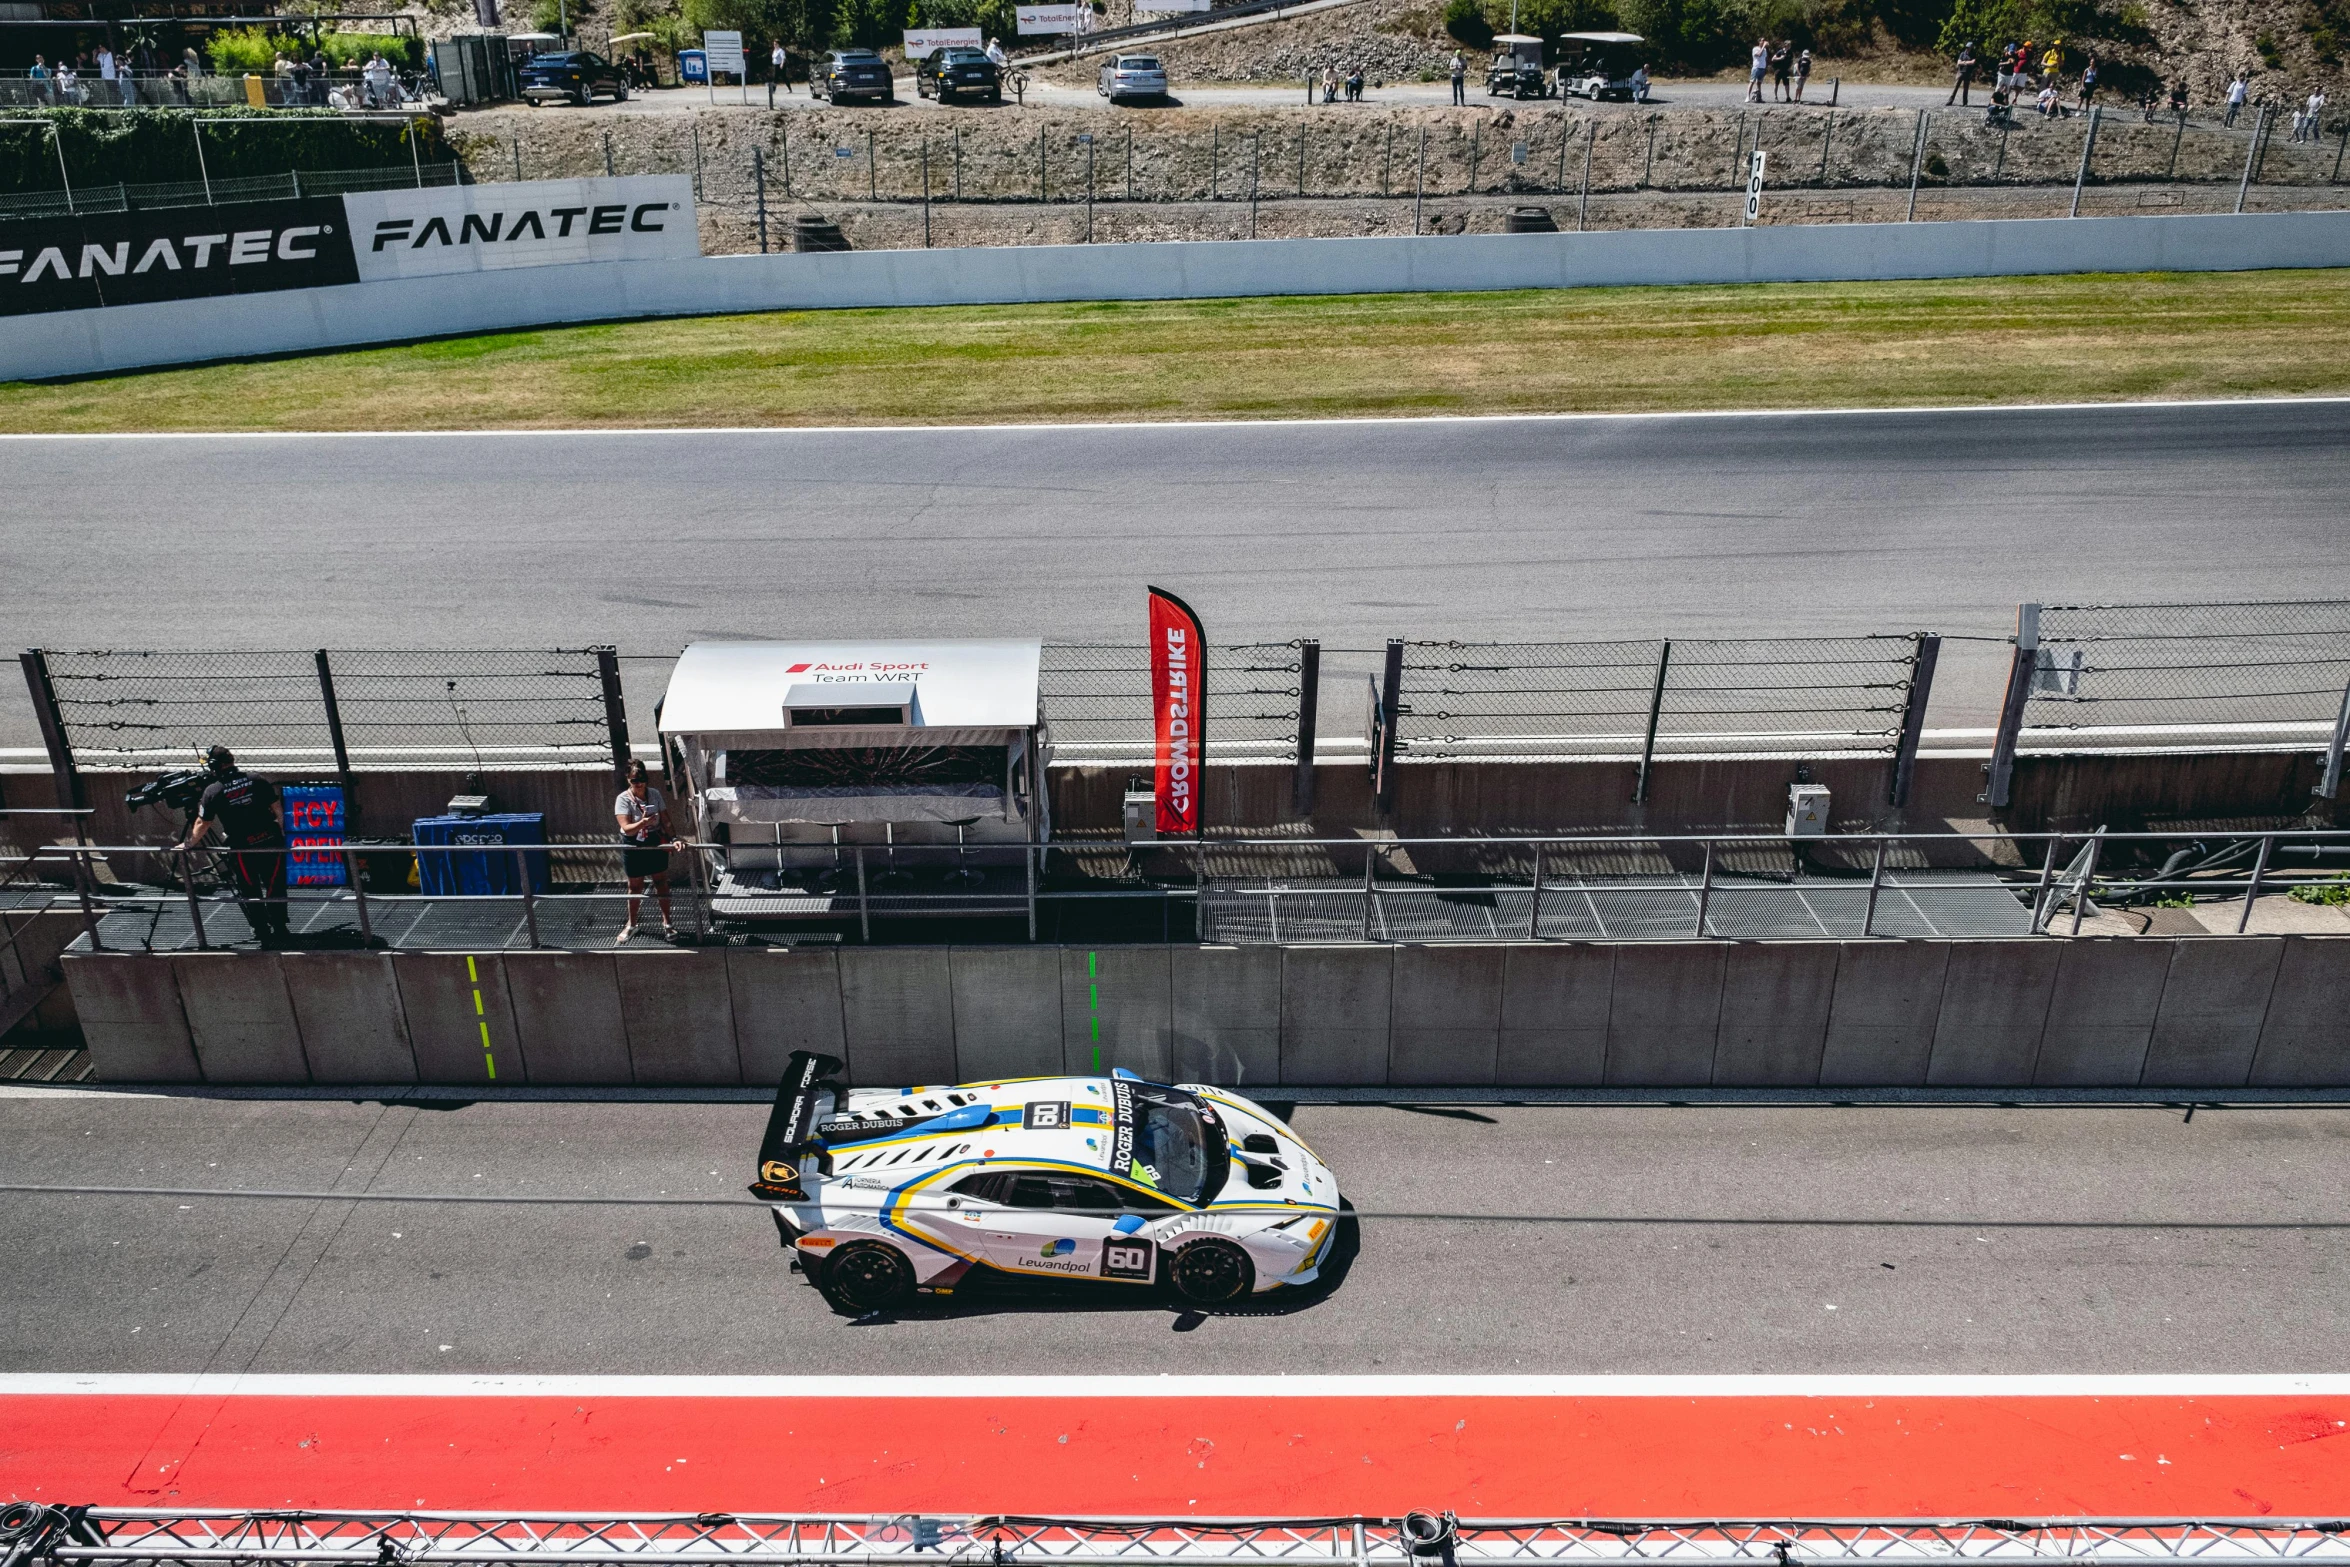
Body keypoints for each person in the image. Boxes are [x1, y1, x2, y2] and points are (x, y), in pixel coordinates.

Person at [180, 745, 290, 947]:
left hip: (241, 848)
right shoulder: (257, 779)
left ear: (214, 766)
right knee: (275, 884)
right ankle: (280, 926)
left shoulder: (213, 791)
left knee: (249, 888)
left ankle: (261, 929)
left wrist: (188, 844)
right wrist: (282, 832)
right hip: (270, 842)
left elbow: (202, 823)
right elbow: (276, 807)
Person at [614, 759, 676, 944]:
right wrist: (643, 822)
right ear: (628, 780)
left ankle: (667, 922)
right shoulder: (623, 799)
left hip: (653, 839)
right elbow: (626, 828)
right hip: (634, 843)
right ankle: (632, 923)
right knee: (634, 886)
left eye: (641, 779)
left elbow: (666, 820)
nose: (638, 783)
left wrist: (674, 838)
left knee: (660, 881)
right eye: (634, 780)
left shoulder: (654, 794)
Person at [1947, 40, 1976, 105]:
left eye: (1969, 47)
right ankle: (1950, 101)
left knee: (1965, 89)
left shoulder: (1973, 55)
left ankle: (1965, 103)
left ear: (1971, 48)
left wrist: (1964, 62)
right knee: (1956, 87)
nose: (1967, 49)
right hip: (1961, 72)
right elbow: (1958, 62)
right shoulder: (1962, 54)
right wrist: (1966, 63)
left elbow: (1973, 62)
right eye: (1967, 47)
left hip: (1968, 73)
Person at [1747, 37, 1767, 102]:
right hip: (1756, 67)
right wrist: (1763, 46)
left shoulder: (1765, 50)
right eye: (1762, 41)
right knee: (1752, 81)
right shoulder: (1755, 48)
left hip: (1762, 68)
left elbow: (1764, 58)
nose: (1764, 42)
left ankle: (1759, 97)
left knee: (1759, 83)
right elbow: (1758, 54)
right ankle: (1748, 97)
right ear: (1759, 42)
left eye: (1764, 41)